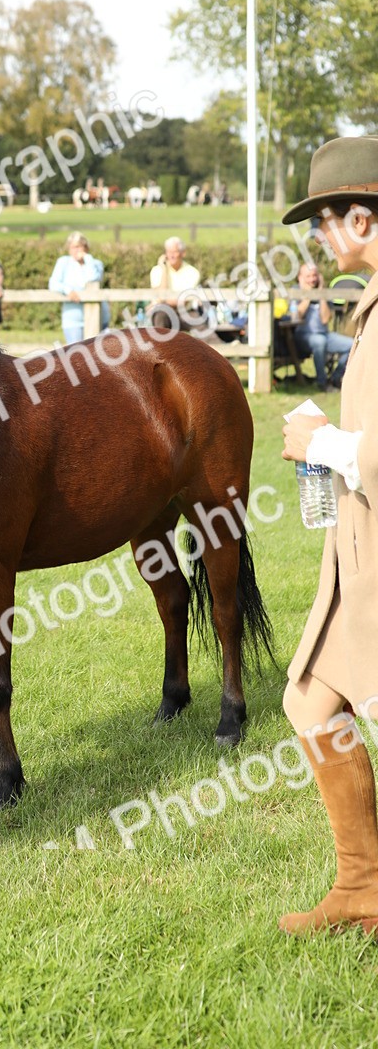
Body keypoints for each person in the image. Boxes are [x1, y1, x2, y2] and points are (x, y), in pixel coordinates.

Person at [279, 135, 378, 937]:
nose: (317, 236)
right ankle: (361, 889)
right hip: (356, 552)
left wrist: (316, 445)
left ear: (364, 218)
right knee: (311, 700)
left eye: (324, 220)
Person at [292, 261, 352, 391]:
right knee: (320, 341)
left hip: (325, 334)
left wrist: (320, 293)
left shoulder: (323, 292)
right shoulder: (295, 291)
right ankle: (322, 383)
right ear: (300, 277)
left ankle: (335, 378)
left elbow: (325, 319)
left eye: (314, 275)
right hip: (303, 336)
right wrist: (307, 295)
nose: (312, 279)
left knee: (352, 345)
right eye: (308, 276)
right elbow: (297, 316)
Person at [48, 233, 104, 344]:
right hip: (72, 319)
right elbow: (53, 283)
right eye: (73, 247)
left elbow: (93, 278)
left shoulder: (95, 263)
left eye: (79, 246)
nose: (76, 250)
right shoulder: (63, 262)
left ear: (85, 247)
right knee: (76, 355)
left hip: (96, 318)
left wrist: (87, 258)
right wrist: (68, 291)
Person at [148, 237, 202, 331]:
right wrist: (164, 270)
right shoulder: (157, 270)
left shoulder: (192, 272)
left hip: (185, 312)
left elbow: (181, 302)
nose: (171, 255)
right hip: (164, 312)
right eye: (169, 252)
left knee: (202, 327)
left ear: (183, 253)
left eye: (175, 252)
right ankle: (160, 345)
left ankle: (223, 344)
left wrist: (161, 300)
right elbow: (161, 294)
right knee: (161, 313)